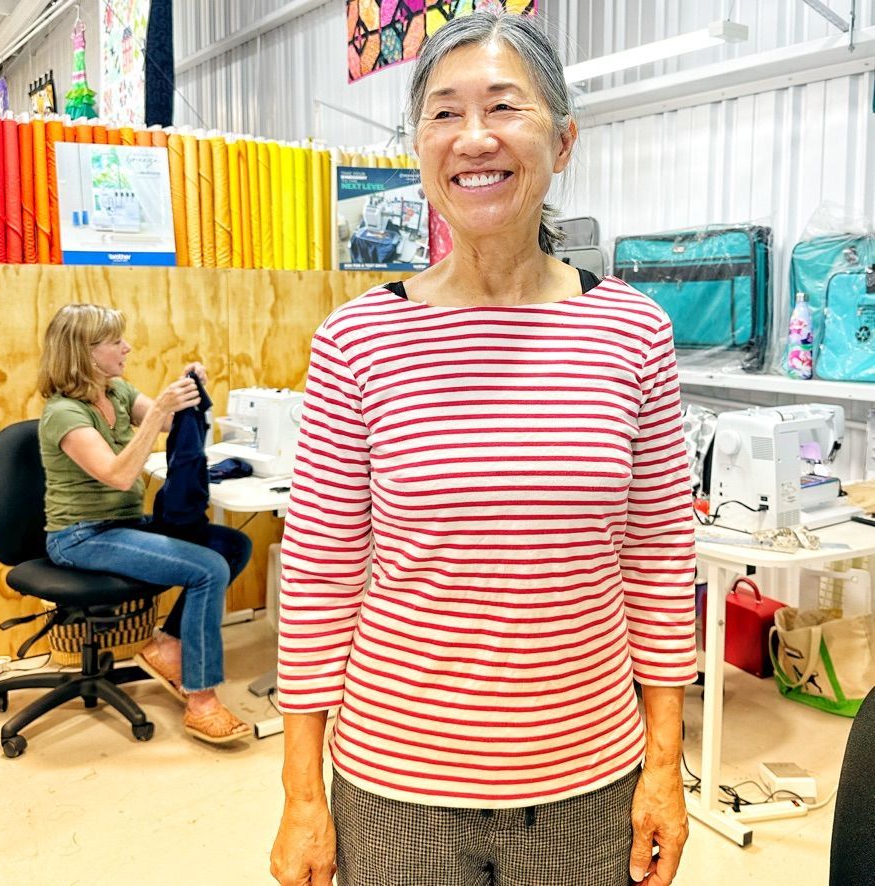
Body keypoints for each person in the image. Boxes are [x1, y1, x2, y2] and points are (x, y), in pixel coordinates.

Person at [271, 10, 696, 886]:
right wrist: (302, 795)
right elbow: (319, 574)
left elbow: (658, 561)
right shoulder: (358, 340)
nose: (473, 138)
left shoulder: (633, 332)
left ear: (565, 139)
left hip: (589, 784)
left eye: (505, 106)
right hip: (396, 787)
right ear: (417, 144)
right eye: (442, 112)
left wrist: (664, 766)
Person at [38, 303, 253, 745]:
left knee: (232, 545)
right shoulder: (64, 413)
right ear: (84, 351)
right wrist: (155, 417)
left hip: (124, 525)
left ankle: (168, 646)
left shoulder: (115, 391)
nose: (127, 347)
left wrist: (187, 391)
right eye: (115, 341)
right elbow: (118, 475)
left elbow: (170, 421)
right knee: (207, 568)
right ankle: (202, 700)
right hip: (80, 536)